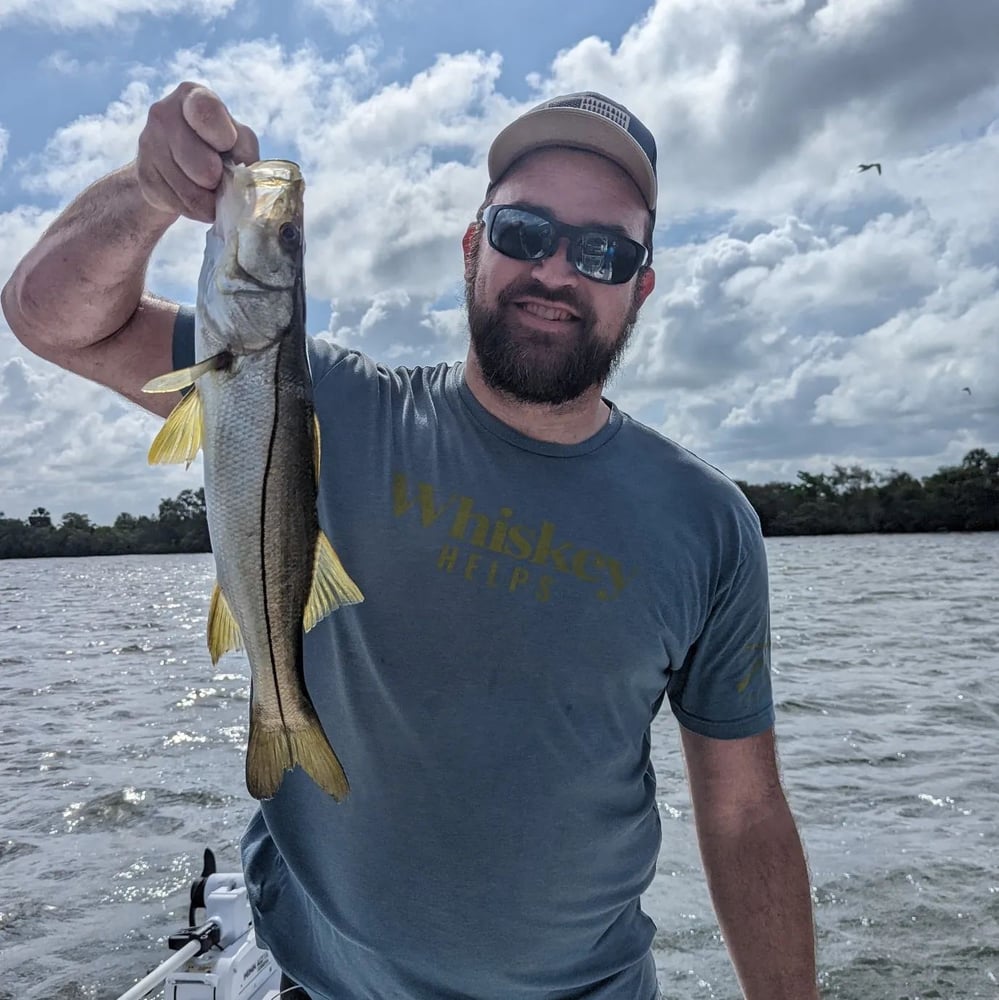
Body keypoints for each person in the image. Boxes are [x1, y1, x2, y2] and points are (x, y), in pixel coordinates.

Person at [2, 83, 821, 1000]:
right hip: (320, 982)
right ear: (472, 248)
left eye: (602, 250)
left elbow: (745, 812)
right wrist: (151, 188)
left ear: (640, 284)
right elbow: (51, 318)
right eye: (522, 232)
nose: (555, 271)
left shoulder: (708, 523)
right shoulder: (318, 396)